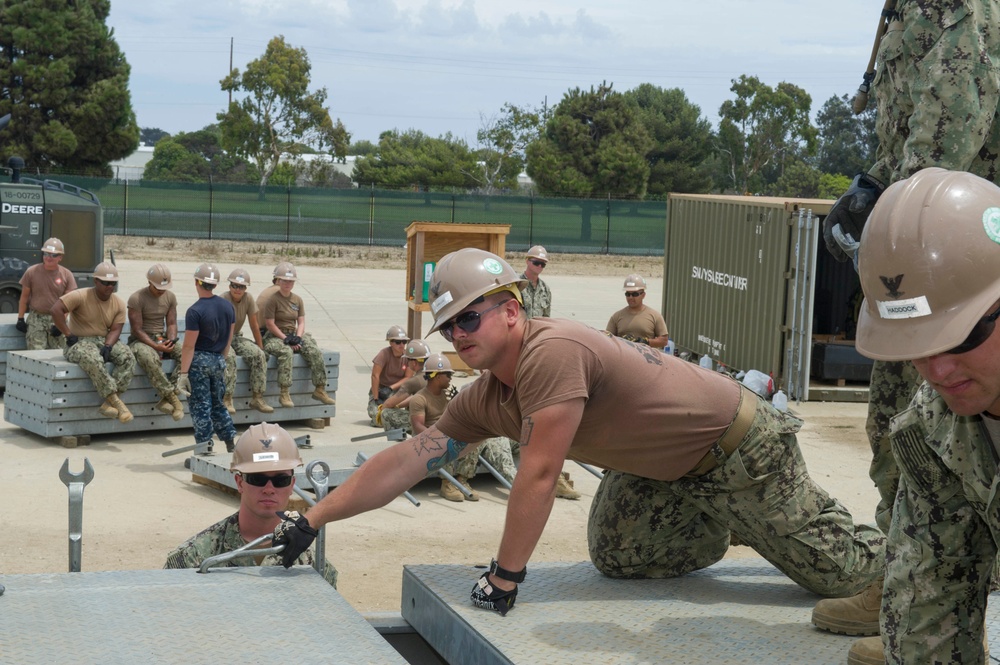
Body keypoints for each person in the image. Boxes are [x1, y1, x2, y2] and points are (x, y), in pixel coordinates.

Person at [273, 248, 883, 618]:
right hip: (665, 471)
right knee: (619, 555)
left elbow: (539, 474)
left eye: (470, 317)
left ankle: (944, 554)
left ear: (512, 308)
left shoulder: (553, 351)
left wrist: (505, 577)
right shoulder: (489, 395)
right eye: (449, 327)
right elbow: (410, 460)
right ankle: (730, 521)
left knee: (845, 574)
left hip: (741, 447)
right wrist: (313, 519)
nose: (458, 335)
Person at [813, 0, 1000, 657]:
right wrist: (876, 193)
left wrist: (899, 218)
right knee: (913, 432)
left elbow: (954, 112)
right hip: (926, 243)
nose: (939, 366)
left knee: (917, 416)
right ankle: (908, 579)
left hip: (954, 254)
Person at [847, 169, 1000, 663]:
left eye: (961, 337)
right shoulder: (935, 422)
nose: (936, 370)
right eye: (915, 344)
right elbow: (929, 607)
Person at [165, 421, 338, 587]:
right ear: (240, 483)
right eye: (258, 479)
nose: (269, 489)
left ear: (292, 485)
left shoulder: (311, 564)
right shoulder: (194, 558)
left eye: (281, 480)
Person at [407, 352, 518, 503]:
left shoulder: (447, 395)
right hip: (426, 439)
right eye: (448, 374)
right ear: (437, 376)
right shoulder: (419, 399)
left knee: (473, 438)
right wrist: (438, 437)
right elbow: (418, 426)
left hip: (444, 433)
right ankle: (447, 484)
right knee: (447, 443)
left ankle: (462, 479)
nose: (451, 378)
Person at [51, 261, 135, 423]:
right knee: (93, 359)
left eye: (112, 283)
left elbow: (116, 329)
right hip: (79, 341)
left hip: (102, 339)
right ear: (96, 281)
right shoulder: (81, 295)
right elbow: (56, 309)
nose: (109, 287)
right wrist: (67, 334)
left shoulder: (118, 303)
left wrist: (108, 345)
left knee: (128, 357)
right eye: (105, 283)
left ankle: (107, 403)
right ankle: (116, 401)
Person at [176, 263, 236, 456]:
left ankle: (204, 449)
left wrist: (184, 373)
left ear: (197, 282)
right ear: (215, 285)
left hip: (199, 363)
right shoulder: (228, 306)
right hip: (218, 360)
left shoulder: (195, 311)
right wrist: (222, 361)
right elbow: (228, 339)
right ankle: (230, 444)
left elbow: (188, 346)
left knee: (201, 406)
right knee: (218, 403)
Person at [258, 262, 335, 409]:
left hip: (293, 334)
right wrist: (285, 339)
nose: (287, 284)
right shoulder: (272, 300)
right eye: (284, 280)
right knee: (286, 352)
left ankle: (319, 388)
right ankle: (284, 392)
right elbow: (270, 324)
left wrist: (298, 337)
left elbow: (301, 322)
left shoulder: (297, 299)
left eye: (290, 281)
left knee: (313, 350)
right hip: (275, 336)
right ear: (278, 281)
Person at [127, 263, 184, 421]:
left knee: (187, 356)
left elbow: (171, 323)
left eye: (163, 288)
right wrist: (155, 346)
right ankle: (172, 398)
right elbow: (137, 329)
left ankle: (166, 399)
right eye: (157, 288)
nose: (161, 291)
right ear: (149, 283)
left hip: (161, 337)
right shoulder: (137, 299)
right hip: (141, 340)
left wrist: (171, 341)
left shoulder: (170, 297)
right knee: (149, 357)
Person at [221, 267, 273, 415]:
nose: (238, 290)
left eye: (241, 287)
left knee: (258, 355)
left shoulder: (248, 299)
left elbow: (254, 324)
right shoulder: (223, 299)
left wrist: (260, 346)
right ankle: (227, 398)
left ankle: (257, 397)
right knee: (229, 358)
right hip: (222, 337)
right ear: (230, 286)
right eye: (234, 286)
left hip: (236, 336)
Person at [16, 237, 76, 350]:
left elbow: (68, 303)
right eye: (46, 254)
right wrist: (20, 318)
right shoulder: (31, 272)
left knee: (58, 355)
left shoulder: (67, 275)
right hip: (36, 319)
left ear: (60, 257)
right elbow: (24, 297)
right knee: (36, 354)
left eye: (53, 255)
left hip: (57, 319)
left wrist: (60, 325)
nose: (48, 257)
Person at [379, 338, 431, 434]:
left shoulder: (414, 381)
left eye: (408, 360)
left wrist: (382, 408)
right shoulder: (433, 376)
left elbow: (389, 404)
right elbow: (415, 397)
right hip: (437, 418)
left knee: (386, 413)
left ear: (414, 362)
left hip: (423, 421)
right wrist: (398, 405)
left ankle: (399, 437)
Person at [605, 274, 669, 349]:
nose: (630, 297)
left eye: (635, 294)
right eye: (628, 294)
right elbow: (607, 339)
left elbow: (664, 340)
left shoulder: (655, 316)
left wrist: (646, 342)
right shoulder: (616, 316)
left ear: (643, 295)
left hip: (646, 359)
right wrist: (620, 341)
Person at [367, 325, 413, 426]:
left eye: (404, 342)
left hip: (399, 390)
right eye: (398, 342)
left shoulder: (408, 357)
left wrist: (390, 388)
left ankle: (397, 413)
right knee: (377, 420)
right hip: (381, 390)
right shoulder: (383, 354)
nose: (401, 345)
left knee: (415, 401)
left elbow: (408, 377)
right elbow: (375, 376)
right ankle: (392, 412)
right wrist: (376, 398)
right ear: (391, 342)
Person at [520, 245, 551, 319]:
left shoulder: (545, 289)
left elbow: (546, 316)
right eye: (536, 262)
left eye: (543, 264)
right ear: (527, 261)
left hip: (538, 329)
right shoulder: (517, 285)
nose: (540, 266)